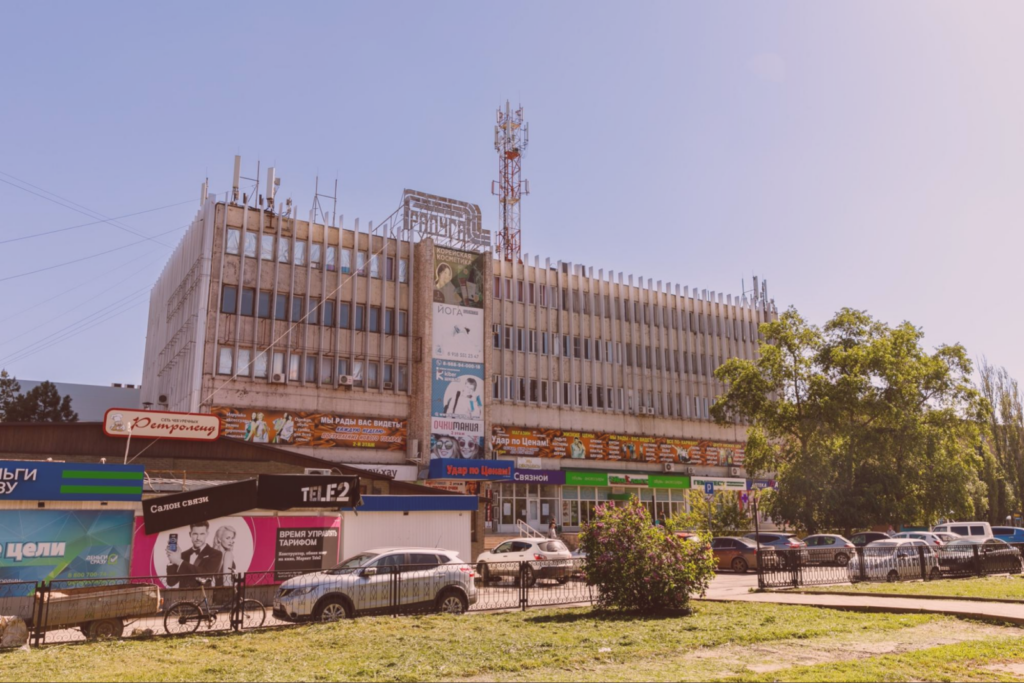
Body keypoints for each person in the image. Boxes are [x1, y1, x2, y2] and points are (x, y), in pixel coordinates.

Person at [166, 521, 224, 588]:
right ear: (190, 534)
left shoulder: (216, 554)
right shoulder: (183, 555)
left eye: (202, 534)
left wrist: (179, 561)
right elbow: (171, 582)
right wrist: (172, 560)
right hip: (183, 594)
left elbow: (205, 574)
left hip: (203, 593)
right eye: (195, 534)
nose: (198, 538)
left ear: (207, 534)